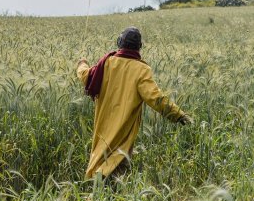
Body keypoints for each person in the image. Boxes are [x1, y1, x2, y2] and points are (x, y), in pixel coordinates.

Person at [77, 26, 192, 180]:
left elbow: (85, 75)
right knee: (118, 162)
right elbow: (155, 98)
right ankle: (111, 197)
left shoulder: (106, 63)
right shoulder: (141, 69)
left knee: (100, 158)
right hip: (123, 128)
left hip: (103, 124)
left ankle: (97, 192)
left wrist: (81, 64)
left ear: (120, 43)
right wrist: (178, 115)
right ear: (139, 47)